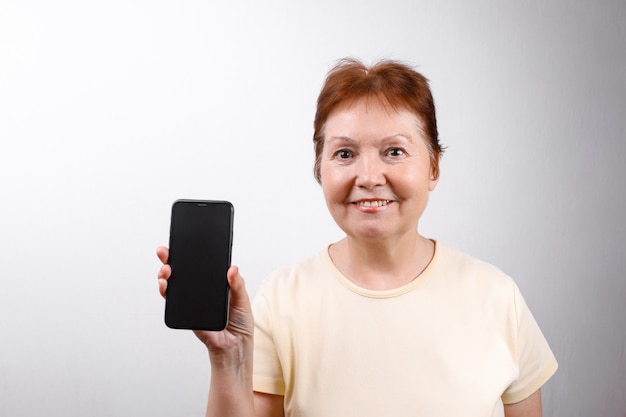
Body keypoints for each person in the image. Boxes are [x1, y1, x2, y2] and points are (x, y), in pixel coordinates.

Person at [157, 58, 558, 417]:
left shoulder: (497, 297)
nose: (368, 177)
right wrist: (228, 358)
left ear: (434, 167)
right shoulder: (281, 301)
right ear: (320, 170)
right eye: (345, 154)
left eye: (394, 152)